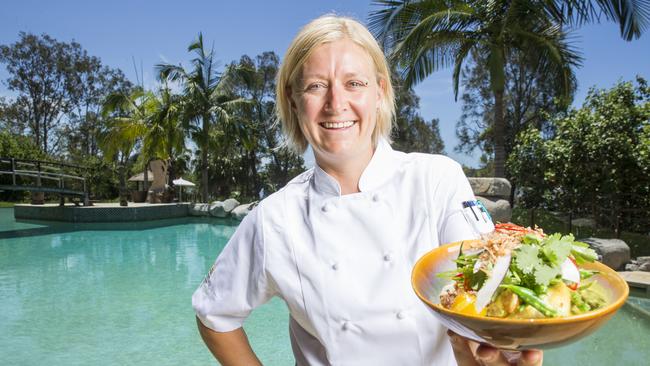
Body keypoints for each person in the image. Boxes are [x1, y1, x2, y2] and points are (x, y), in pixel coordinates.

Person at [192, 14, 543, 366]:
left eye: (354, 83)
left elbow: (486, 290)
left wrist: (496, 355)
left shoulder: (437, 179)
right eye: (316, 86)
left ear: (380, 91)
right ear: (293, 99)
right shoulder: (275, 218)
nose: (335, 103)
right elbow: (215, 315)